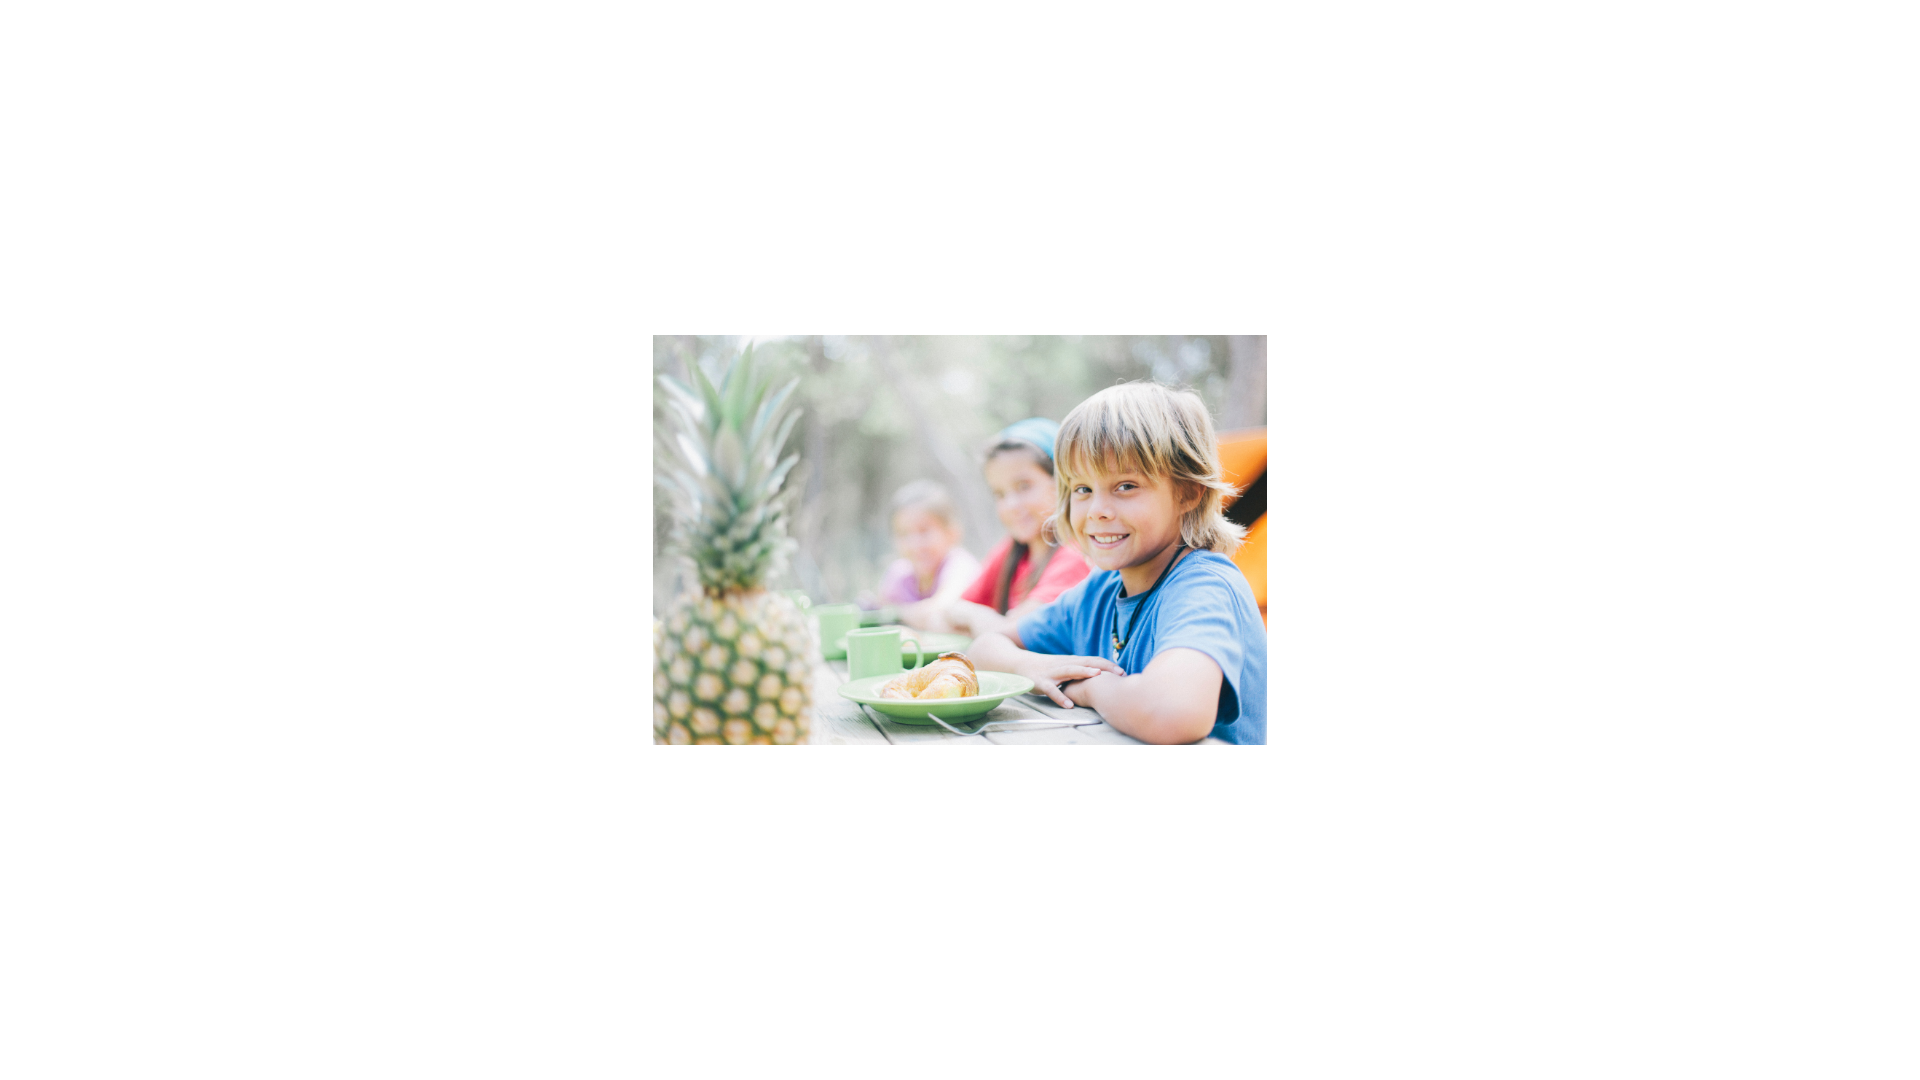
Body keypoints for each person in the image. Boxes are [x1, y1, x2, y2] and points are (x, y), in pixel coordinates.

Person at [967, 383, 1267, 745]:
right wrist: (1031, 668)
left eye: (1125, 486)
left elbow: (1173, 713)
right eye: (1082, 489)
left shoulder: (1203, 585)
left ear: (1188, 491)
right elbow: (985, 646)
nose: (1097, 511)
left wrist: (1090, 686)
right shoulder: (1099, 592)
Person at [901, 417, 1091, 638]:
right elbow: (946, 615)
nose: (1011, 505)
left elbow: (1016, 633)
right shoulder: (1012, 552)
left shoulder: (1075, 553)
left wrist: (971, 616)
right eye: (999, 494)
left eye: (1024, 486)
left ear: (1062, 482)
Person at [874, 480, 980, 624]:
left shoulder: (960, 565)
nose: (914, 544)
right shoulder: (899, 573)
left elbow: (942, 607)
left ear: (952, 532)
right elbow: (880, 610)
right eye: (903, 534)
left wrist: (896, 612)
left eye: (924, 531)